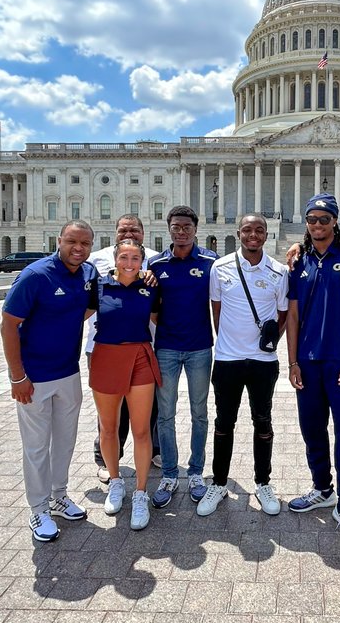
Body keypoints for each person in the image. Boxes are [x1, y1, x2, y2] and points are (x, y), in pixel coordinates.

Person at [0, 220, 98, 542]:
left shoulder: (88, 274)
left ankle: (59, 496)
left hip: (68, 372)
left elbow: (87, 308)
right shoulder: (35, 275)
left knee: (65, 441)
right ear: (59, 241)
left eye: (85, 243)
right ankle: (38, 508)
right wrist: (18, 376)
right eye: (72, 242)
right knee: (37, 446)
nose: (78, 248)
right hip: (35, 377)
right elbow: (8, 325)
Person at [286, 193, 340, 542]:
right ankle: (322, 488)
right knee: (312, 430)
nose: (317, 224)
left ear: (335, 221)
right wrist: (292, 361)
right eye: (312, 219)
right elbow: (292, 316)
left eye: (324, 219)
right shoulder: (299, 261)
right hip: (308, 360)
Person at [197, 214, 289, 516]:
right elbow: (217, 310)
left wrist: (269, 341)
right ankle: (219, 483)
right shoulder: (220, 267)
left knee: (263, 422)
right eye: (247, 230)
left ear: (266, 235)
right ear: (238, 234)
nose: (253, 235)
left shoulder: (278, 271)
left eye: (259, 230)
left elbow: (282, 314)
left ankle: (263, 482)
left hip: (263, 361)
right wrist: (229, 341)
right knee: (224, 424)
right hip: (228, 359)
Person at [88, 238, 162, 531]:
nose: (129, 263)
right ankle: (116, 482)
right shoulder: (99, 285)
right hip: (106, 356)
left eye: (135, 258)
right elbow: (74, 314)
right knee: (108, 428)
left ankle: (141, 492)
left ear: (142, 261)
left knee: (141, 429)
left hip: (140, 356)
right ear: (115, 259)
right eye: (124, 257)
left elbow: (161, 319)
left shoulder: (151, 286)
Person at [147, 205, 218, 509]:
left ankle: (197, 472)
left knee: (199, 412)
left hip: (200, 347)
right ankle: (169, 474)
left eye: (186, 226)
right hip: (166, 348)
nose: (181, 231)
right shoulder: (156, 264)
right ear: (169, 229)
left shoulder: (211, 262)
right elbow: (150, 307)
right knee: (165, 414)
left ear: (195, 229)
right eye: (176, 227)